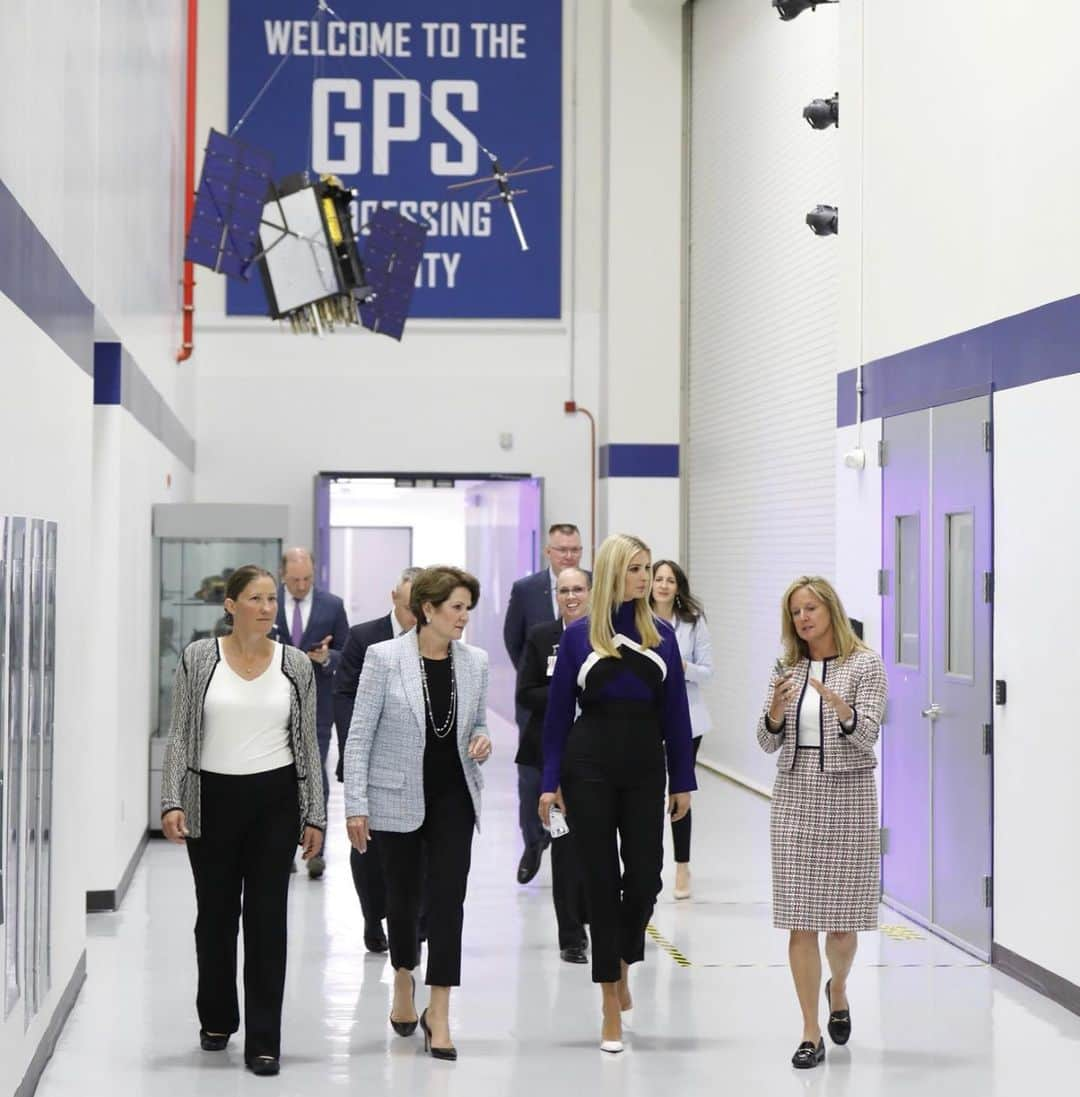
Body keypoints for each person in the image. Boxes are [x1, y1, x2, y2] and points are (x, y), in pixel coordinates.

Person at [160, 565, 325, 1078]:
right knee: (215, 918)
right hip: (212, 799)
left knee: (267, 919)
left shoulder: (295, 664)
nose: (268, 607)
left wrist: (314, 814)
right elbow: (182, 733)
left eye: (272, 599)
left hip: (275, 801)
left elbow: (308, 745)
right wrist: (171, 800)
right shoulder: (199, 658)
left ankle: (264, 1040)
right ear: (230, 605)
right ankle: (216, 1016)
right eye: (256, 598)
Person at [540, 534, 695, 1054]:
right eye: (635, 569)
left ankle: (624, 959)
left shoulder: (664, 636)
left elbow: (677, 714)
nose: (646, 578)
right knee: (601, 883)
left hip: (646, 765)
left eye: (649, 569)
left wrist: (684, 780)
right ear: (612, 573)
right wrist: (548, 782)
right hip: (589, 765)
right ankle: (610, 999)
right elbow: (559, 713)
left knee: (646, 875)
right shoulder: (582, 636)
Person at [344, 565, 492, 1061]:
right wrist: (356, 805)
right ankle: (404, 979)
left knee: (449, 902)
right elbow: (359, 734)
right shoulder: (383, 658)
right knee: (402, 900)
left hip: (453, 796)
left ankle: (441, 1012)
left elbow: (473, 722)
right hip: (395, 798)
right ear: (427, 610)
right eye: (456, 608)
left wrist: (481, 739)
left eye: (468, 608)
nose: (464, 618)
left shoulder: (475, 662)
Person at [756, 575, 887, 1070]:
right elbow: (766, 741)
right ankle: (810, 1031)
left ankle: (840, 986)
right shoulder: (787, 667)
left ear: (830, 608)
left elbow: (868, 734)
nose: (803, 618)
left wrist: (839, 705)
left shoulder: (865, 664)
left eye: (810, 608)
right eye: (795, 612)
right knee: (799, 920)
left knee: (841, 925)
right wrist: (773, 710)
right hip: (795, 794)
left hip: (847, 796)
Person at [332, 566, 422, 952]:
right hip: (370, 759)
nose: (414, 617)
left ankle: (414, 917)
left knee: (416, 847)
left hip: (417, 764)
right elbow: (345, 694)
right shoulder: (364, 637)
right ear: (393, 598)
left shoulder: (431, 639)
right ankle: (373, 916)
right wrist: (363, 743)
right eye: (408, 607)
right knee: (368, 847)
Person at [515, 567, 591, 964]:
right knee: (563, 847)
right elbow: (526, 692)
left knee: (592, 848)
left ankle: (589, 914)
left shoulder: (605, 640)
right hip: (549, 759)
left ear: (592, 593)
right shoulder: (542, 636)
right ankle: (571, 937)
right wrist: (568, 691)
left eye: (578, 589)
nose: (571, 596)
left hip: (595, 761)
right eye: (564, 590)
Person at [503, 523, 585, 885]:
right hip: (539, 701)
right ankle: (534, 841)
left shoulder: (591, 584)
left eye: (574, 549)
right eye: (561, 549)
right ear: (548, 552)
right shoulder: (527, 590)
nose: (568, 554)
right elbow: (514, 639)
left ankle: (569, 842)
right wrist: (537, 676)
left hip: (585, 710)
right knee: (532, 777)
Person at [274, 547, 349, 879]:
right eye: (295, 580)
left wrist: (327, 657)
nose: (301, 586)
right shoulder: (268, 603)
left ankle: (315, 850)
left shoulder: (332, 606)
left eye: (306, 579)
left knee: (314, 775)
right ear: (282, 576)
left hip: (317, 704)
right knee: (279, 776)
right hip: (273, 703)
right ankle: (283, 847)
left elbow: (347, 653)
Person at [650, 560, 713, 900]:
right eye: (657, 579)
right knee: (647, 793)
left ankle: (682, 866)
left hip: (687, 720)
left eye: (669, 580)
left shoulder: (692, 622)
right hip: (646, 719)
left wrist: (681, 665)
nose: (662, 585)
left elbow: (708, 671)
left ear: (678, 587)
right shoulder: (637, 618)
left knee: (679, 792)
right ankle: (647, 865)